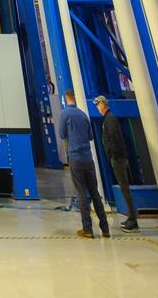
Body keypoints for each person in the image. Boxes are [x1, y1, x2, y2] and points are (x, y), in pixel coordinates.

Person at [58, 89, 109, 239]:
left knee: (81, 193)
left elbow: (62, 134)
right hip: (88, 158)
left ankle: (87, 229)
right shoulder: (83, 115)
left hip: (75, 157)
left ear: (66, 98)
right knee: (94, 193)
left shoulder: (65, 114)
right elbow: (90, 136)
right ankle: (105, 228)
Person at [95, 95, 139, 231]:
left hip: (118, 158)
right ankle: (131, 217)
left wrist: (113, 155)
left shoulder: (110, 119)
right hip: (117, 158)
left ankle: (133, 220)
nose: (97, 108)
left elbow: (114, 139)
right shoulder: (108, 119)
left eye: (98, 105)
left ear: (103, 104)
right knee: (124, 188)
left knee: (125, 188)